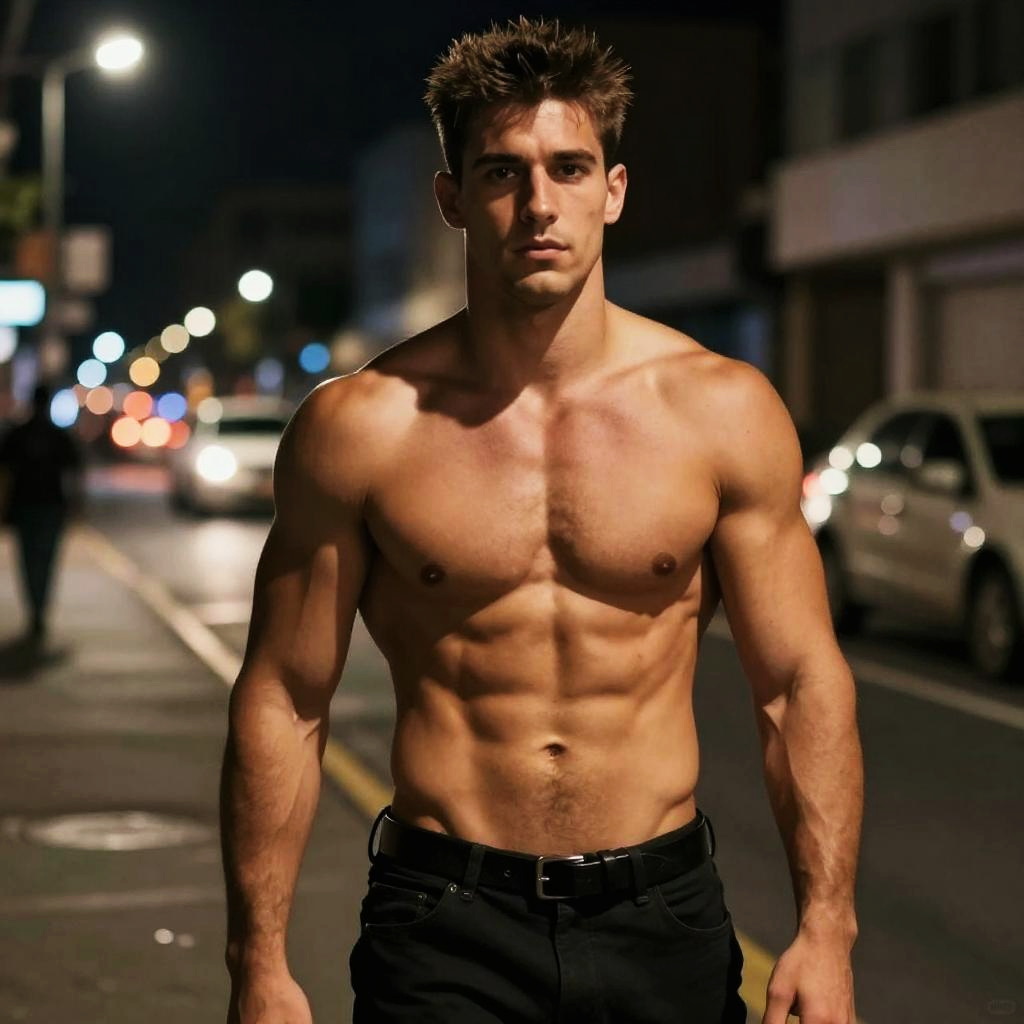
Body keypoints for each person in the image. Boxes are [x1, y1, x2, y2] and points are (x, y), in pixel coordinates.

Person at [221, 17, 863, 1024]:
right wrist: (257, 962)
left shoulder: (721, 412)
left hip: (661, 912)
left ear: (614, 188)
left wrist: (827, 928)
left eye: (569, 168)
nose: (538, 205)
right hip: (444, 919)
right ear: (451, 199)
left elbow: (797, 682)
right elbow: (285, 697)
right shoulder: (361, 428)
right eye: (501, 172)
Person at [0, 383, 83, 642]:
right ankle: (39, 609)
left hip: (25, 507)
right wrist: (76, 505)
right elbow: (75, 472)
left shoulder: (18, 434)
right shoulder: (57, 436)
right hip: (50, 507)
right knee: (45, 561)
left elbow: (5, 472)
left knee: (28, 561)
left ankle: (35, 609)